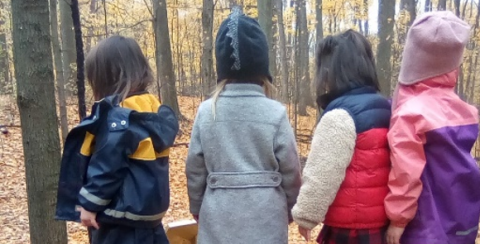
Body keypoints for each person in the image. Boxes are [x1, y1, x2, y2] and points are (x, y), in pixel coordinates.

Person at [185, 7, 301, 244]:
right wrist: (289, 208)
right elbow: (291, 171)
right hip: (267, 222)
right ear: (263, 70)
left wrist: (197, 208)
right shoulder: (275, 113)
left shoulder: (207, 112)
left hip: (218, 222)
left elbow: (195, 170)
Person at [55, 35, 179, 244]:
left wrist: (89, 204)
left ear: (108, 77)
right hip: (149, 222)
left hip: (119, 224)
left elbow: (107, 165)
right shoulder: (152, 107)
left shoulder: (119, 117)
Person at [385, 11, 480, 244]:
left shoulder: (410, 113)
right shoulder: (466, 111)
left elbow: (406, 173)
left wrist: (398, 220)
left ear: (413, 58)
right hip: (463, 220)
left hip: (425, 225)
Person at [292, 30, 391, 244]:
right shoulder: (387, 107)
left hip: (350, 231)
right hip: (383, 227)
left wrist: (306, 215)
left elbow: (323, 173)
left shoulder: (340, 115)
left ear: (330, 71)